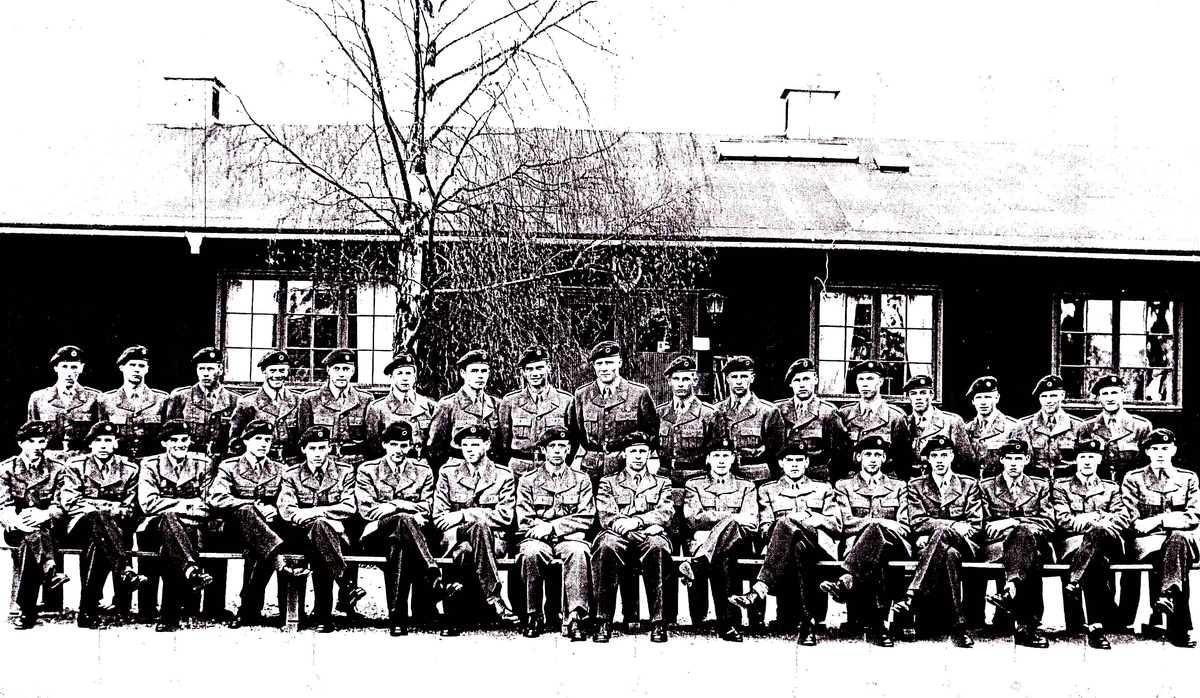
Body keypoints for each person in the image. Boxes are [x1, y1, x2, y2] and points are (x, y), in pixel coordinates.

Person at [728, 441, 841, 646]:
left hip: (818, 547)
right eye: (789, 460)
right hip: (788, 550)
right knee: (796, 545)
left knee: (786, 524)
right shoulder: (768, 490)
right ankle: (807, 624)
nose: (794, 464)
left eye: (799, 460)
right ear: (781, 463)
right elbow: (764, 529)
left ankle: (759, 589)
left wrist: (815, 519)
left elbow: (836, 525)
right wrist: (792, 522)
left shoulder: (823, 488)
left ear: (807, 463)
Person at [356, 421, 460, 636]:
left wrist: (392, 505)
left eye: (404, 445)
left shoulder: (423, 471)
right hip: (376, 536)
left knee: (400, 547)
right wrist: (404, 507)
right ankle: (433, 578)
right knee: (403, 520)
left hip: (408, 539)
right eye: (394, 444)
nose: (399, 450)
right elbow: (368, 510)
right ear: (384, 444)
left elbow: (428, 506)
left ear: (411, 445)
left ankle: (397, 620)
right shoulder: (368, 470)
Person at [207, 419, 310, 629]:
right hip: (235, 531)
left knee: (263, 545)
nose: (263, 444)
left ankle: (249, 609)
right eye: (258, 439)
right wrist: (254, 507)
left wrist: (276, 510)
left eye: (267, 440)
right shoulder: (229, 466)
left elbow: (287, 500)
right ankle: (278, 567)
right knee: (248, 513)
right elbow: (217, 497)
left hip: (268, 532)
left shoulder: (281, 469)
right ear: (246, 441)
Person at [820, 435, 912, 647]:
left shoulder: (899, 486)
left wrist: (877, 526)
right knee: (876, 551)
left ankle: (846, 579)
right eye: (868, 454)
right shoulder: (844, 486)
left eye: (877, 455)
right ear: (859, 457)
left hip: (896, 546)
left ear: (884, 458)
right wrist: (881, 522)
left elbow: (904, 526)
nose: (872, 459)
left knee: (877, 541)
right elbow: (845, 524)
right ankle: (879, 626)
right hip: (859, 548)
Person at [892, 434, 981, 649]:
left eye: (944, 455)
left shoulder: (969, 484)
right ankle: (959, 627)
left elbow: (975, 525)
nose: (939, 460)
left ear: (952, 456)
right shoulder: (916, 486)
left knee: (942, 534)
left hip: (965, 544)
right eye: (934, 456)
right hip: (934, 548)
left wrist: (938, 530)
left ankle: (913, 595)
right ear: (928, 459)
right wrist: (953, 525)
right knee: (948, 555)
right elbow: (917, 522)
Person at [59, 422, 149, 628]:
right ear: (90, 444)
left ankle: (87, 611)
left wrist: (97, 506)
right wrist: (108, 508)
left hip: (113, 531)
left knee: (98, 546)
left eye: (108, 440)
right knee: (97, 518)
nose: (102, 445)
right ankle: (124, 570)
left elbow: (130, 507)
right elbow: (70, 501)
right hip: (80, 526)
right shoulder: (75, 465)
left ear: (115, 443)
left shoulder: (130, 469)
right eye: (97, 441)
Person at [432, 425, 519, 635]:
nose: (469, 450)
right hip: (454, 536)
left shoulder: (503, 475)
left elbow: (505, 516)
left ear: (487, 445)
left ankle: (454, 616)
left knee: (466, 550)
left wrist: (464, 514)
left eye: (475, 445)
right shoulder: (448, 473)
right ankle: (494, 598)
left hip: (493, 540)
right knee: (475, 530)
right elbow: (439, 517)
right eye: (465, 445)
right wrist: (474, 519)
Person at [277, 426, 366, 633]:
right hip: (301, 536)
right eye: (312, 448)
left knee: (321, 536)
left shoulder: (344, 471)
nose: (318, 453)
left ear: (329, 448)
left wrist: (315, 513)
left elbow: (349, 506)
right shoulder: (291, 474)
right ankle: (341, 592)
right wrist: (327, 519)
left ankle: (324, 615)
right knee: (320, 533)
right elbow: (287, 510)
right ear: (303, 450)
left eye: (322, 448)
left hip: (337, 537)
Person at [592, 431, 675, 643]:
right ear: (624, 454)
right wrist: (635, 527)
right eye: (633, 451)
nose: (638, 456)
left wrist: (636, 521)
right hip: (618, 534)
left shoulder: (662, 483)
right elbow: (606, 515)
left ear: (649, 454)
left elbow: (665, 512)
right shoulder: (608, 482)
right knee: (606, 546)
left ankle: (658, 621)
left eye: (642, 451)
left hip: (648, 535)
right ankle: (603, 620)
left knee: (658, 546)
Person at [136, 420, 217, 632]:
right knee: (169, 520)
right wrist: (186, 505)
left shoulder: (203, 464)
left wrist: (172, 507)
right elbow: (148, 503)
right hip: (153, 528)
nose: (180, 444)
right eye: (173, 440)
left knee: (173, 544)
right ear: (164, 443)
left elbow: (209, 504)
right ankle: (190, 571)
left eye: (184, 439)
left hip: (191, 527)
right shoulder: (150, 465)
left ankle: (169, 616)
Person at [514, 426, 594, 640]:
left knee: (578, 551)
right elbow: (525, 518)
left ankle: (574, 617)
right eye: (552, 446)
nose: (557, 451)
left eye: (562, 446)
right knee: (531, 552)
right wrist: (559, 530)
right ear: (543, 450)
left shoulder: (581, 479)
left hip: (566, 539)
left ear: (568, 450)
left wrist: (551, 527)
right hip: (538, 539)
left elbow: (586, 516)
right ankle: (533, 614)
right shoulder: (528, 480)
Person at [1120, 428, 1198, 648]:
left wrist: (1159, 520)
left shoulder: (1188, 478)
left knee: (1177, 541)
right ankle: (1179, 625)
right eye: (1155, 449)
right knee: (1176, 551)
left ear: (1174, 450)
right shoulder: (1134, 479)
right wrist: (1160, 524)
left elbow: (1193, 517)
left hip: (1180, 539)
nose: (1160, 453)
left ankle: (1166, 598)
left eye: (1165, 448)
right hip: (1147, 542)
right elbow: (1132, 518)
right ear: (1147, 452)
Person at [680, 438, 757, 642]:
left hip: (737, 543)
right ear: (708, 459)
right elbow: (693, 519)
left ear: (733, 459)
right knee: (723, 555)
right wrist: (732, 518)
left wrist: (712, 532)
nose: (721, 461)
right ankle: (728, 623)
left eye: (725, 456)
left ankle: (698, 563)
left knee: (725, 547)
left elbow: (751, 523)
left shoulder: (746, 486)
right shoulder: (694, 485)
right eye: (716, 456)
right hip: (710, 543)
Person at [980, 440, 1054, 648]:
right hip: (998, 547)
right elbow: (982, 523)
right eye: (1009, 459)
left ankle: (1010, 590)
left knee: (1023, 535)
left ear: (1027, 460)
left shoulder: (1040, 486)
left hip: (1034, 542)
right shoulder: (986, 487)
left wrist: (1014, 522)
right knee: (1032, 557)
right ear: (1002, 460)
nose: (1013, 463)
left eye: (1018, 459)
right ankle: (1027, 626)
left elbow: (1048, 523)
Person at [1053, 437, 1125, 650]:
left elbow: (1122, 517)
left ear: (1099, 460)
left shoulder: (1111, 488)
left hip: (1109, 542)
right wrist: (1098, 518)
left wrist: (1088, 521)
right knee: (1097, 561)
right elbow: (1062, 519)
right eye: (1083, 457)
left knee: (1098, 534)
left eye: (1092, 457)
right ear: (1076, 460)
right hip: (1074, 544)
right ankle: (1096, 626)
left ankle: (1074, 581)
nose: (1087, 461)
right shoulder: (1061, 487)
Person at [0, 422, 70, 629]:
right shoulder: (6, 469)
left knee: (34, 538)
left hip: (49, 526)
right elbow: (3, 504)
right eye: (32, 442)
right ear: (21, 443)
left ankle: (26, 609)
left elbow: (61, 503)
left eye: (42, 441)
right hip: (17, 527)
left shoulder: (57, 469)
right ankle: (50, 569)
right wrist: (16, 521)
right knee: (33, 533)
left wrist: (44, 514)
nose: (38, 446)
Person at [567, 341, 659, 488]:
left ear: (619, 363)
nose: (604, 368)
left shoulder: (639, 393)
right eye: (599, 363)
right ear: (594, 366)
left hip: (625, 468)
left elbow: (652, 434)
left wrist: (635, 458)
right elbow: (575, 434)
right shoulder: (582, 394)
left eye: (609, 363)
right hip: (592, 470)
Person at [496, 345, 574, 479]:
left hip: (553, 469)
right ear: (523, 372)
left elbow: (573, 440)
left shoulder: (566, 401)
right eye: (529, 369)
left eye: (539, 368)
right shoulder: (510, 401)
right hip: (519, 471)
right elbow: (503, 441)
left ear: (548, 368)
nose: (534, 373)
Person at [297, 349, 374, 467]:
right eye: (336, 369)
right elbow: (302, 439)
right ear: (328, 370)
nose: (341, 374)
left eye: (346, 369)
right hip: (324, 463)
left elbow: (371, 442)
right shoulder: (310, 399)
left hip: (356, 464)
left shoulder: (365, 400)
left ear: (353, 371)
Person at [427, 350, 502, 473]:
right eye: (474, 371)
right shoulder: (448, 404)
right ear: (463, 373)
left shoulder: (496, 404)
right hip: (458, 470)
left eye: (484, 371)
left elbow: (501, 445)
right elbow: (436, 448)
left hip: (489, 470)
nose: (480, 376)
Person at [774, 358, 847, 483]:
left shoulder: (828, 412)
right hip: (784, 478)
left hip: (817, 479)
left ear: (815, 380)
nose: (802, 385)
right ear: (790, 384)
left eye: (806, 379)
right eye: (797, 380)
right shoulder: (778, 410)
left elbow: (838, 453)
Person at [838, 360, 912, 480]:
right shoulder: (845, 414)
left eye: (870, 379)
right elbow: (839, 456)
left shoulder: (896, 417)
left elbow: (903, 459)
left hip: (886, 481)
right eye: (861, 379)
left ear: (881, 381)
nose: (865, 384)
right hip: (851, 481)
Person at [716, 356, 784, 484]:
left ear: (752, 378)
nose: (739, 382)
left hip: (757, 477)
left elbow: (777, 452)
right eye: (734, 377)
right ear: (727, 379)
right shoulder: (717, 411)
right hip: (725, 477)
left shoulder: (768, 411)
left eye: (744, 376)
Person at [656, 355, 721, 487]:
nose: (680, 384)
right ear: (669, 382)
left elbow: (717, 451)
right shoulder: (660, 413)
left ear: (695, 381)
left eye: (686, 379)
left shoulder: (709, 413)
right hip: (665, 478)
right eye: (676, 379)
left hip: (697, 479)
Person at [163, 347, 238, 460]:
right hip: (191, 460)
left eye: (210, 369)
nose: (205, 374)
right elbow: (170, 435)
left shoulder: (234, 400)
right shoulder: (181, 397)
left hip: (223, 461)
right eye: (201, 369)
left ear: (220, 370)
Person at [98, 345, 169, 460]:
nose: (137, 369)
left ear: (147, 369)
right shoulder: (107, 400)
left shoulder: (161, 399)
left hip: (152, 461)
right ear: (122, 368)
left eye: (141, 366)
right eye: (132, 365)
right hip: (119, 462)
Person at [230, 351, 301, 464]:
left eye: (282, 370)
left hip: (292, 463)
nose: (277, 375)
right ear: (264, 371)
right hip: (261, 463)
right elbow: (236, 442)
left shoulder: (299, 400)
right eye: (272, 371)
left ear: (288, 371)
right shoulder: (248, 402)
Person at [27, 345, 99, 456]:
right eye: (64, 367)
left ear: (81, 368)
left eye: (74, 367)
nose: (69, 373)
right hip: (50, 459)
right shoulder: (39, 398)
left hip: (83, 459)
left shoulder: (94, 397)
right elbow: (31, 435)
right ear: (56, 368)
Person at [1080, 374, 1152, 483]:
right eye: (1105, 394)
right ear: (1099, 398)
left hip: (1131, 487)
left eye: (1114, 393)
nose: (1110, 398)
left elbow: (1147, 465)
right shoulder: (1088, 426)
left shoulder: (1140, 426)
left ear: (1123, 395)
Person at [365, 352, 436, 461]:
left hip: (422, 465)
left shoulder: (429, 405)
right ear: (391, 377)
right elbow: (374, 448)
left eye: (408, 373)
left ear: (415, 377)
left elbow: (436, 443)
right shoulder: (378, 408)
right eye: (399, 373)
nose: (404, 378)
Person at [1016, 375, 1084, 480]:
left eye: (1053, 396)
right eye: (1044, 396)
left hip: (1067, 483)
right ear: (1039, 398)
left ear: (1062, 395)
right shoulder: (1025, 426)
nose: (1048, 401)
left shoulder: (1078, 426)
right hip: (1037, 482)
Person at [903, 375, 971, 478]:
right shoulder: (904, 423)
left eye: (923, 393)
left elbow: (966, 461)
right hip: (912, 483)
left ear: (931, 395)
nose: (918, 397)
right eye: (913, 393)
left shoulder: (951, 422)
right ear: (909, 397)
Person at [963, 376, 1021, 479]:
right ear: (973, 401)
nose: (983, 402)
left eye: (988, 397)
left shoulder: (1013, 427)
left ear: (997, 398)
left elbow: (1023, 462)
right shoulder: (966, 428)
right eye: (979, 398)